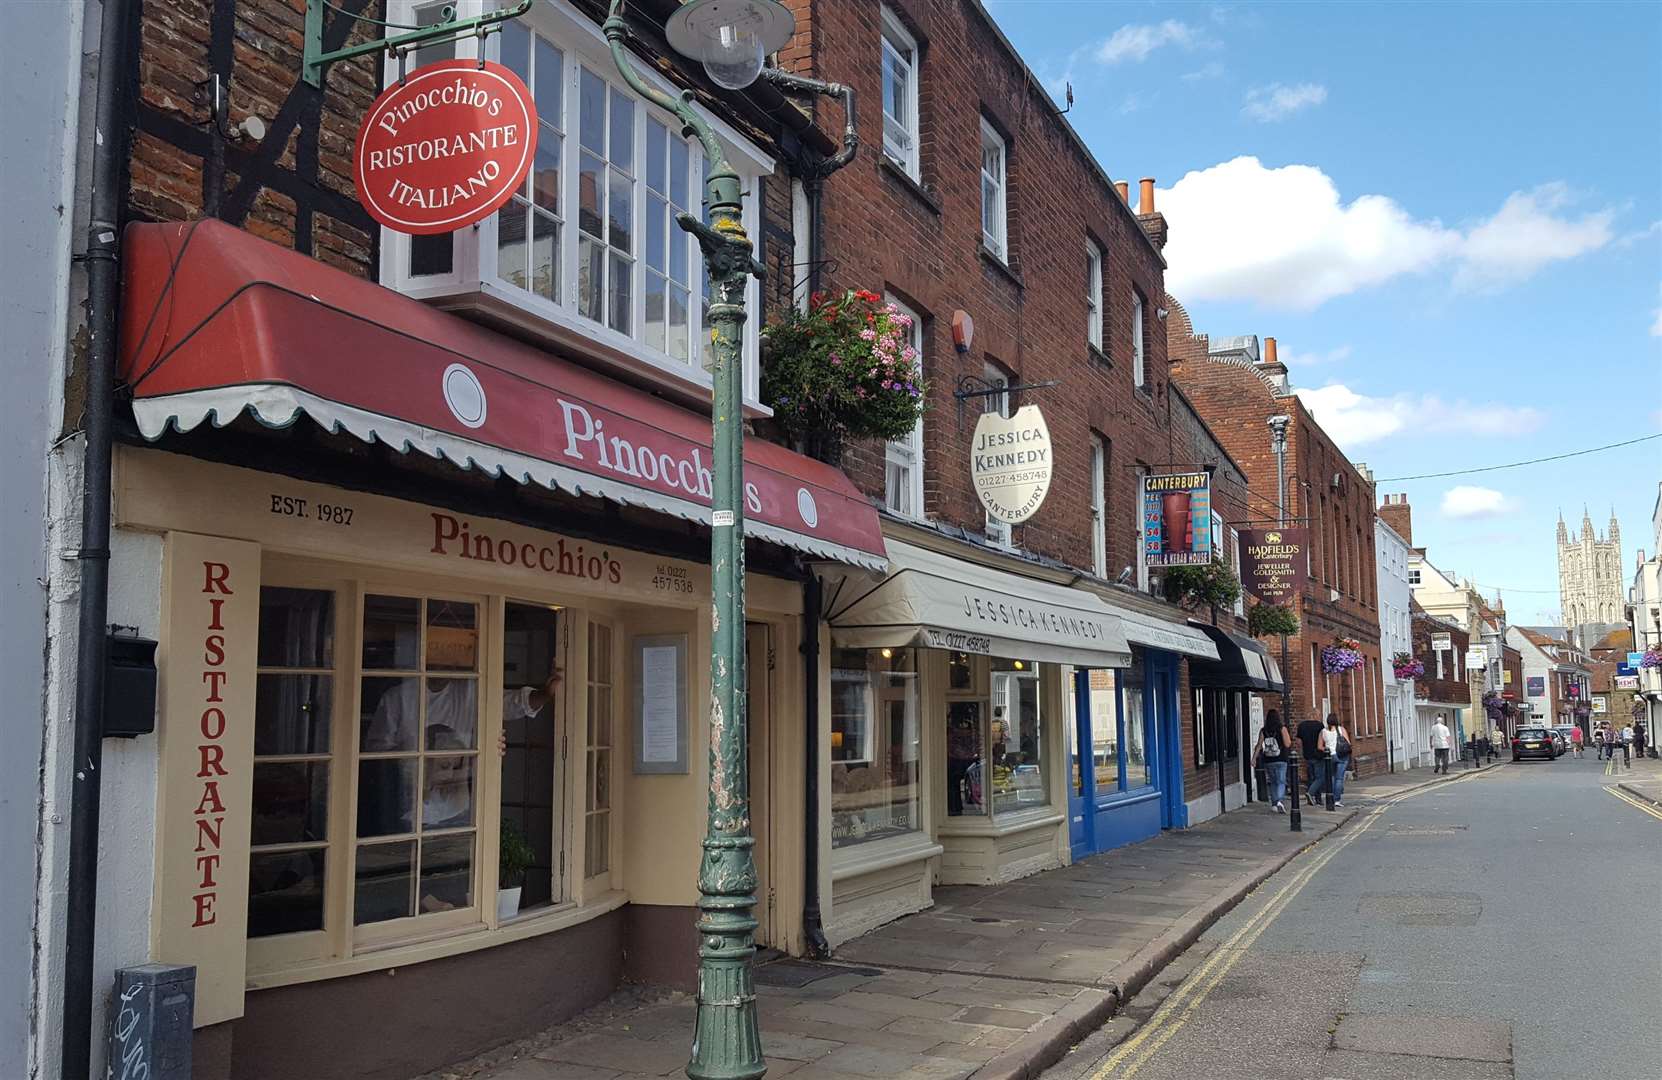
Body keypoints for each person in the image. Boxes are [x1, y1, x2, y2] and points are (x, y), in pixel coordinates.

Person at [1254, 708, 1292, 813]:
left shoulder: (1264, 730)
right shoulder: (1282, 728)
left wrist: (1254, 759)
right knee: (1281, 781)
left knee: (1273, 782)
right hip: (1281, 759)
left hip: (1269, 759)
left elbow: (1259, 745)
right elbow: (1287, 743)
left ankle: (1274, 804)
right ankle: (1279, 800)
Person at [1321, 713, 1353, 807]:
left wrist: (1327, 750)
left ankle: (1330, 798)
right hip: (1342, 756)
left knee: (1332, 777)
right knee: (1339, 778)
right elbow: (1348, 743)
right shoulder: (1341, 729)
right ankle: (1337, 800)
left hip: (1330, 756)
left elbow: (1319, 746)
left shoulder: (1323, 731)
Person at [1297, 713, 1326, 804]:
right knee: (1319, 778)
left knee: (1311, 777)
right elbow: (1323, 739)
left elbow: (1298, 742)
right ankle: (1313, 795)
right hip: (1318, 755)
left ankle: (1312, 799)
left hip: (1307, 754)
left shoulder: (1301, 725)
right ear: (1316, 716)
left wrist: (1302, 751)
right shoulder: (1320, 725)